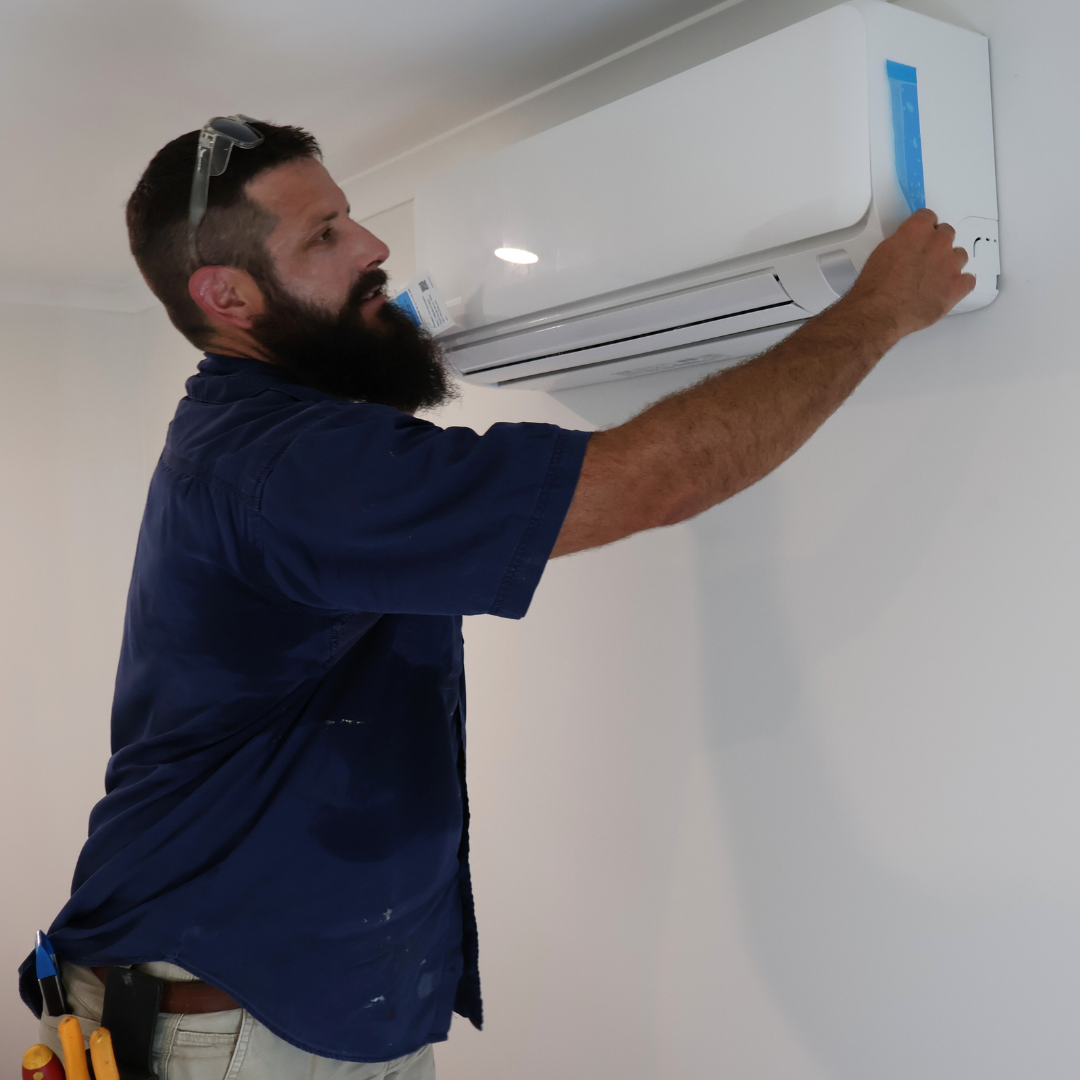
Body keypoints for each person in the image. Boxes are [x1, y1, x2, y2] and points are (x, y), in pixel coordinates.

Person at [20, 118, 974, 1080]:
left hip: (294, 1001)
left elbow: (380, 382)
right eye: (323, 237)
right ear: (226, 296)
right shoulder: (292, 467)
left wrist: (441, 315)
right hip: (234, 1022)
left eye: (349, 216)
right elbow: (651, 483)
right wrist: (882, 308)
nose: (373, 246)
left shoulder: (262, 428)